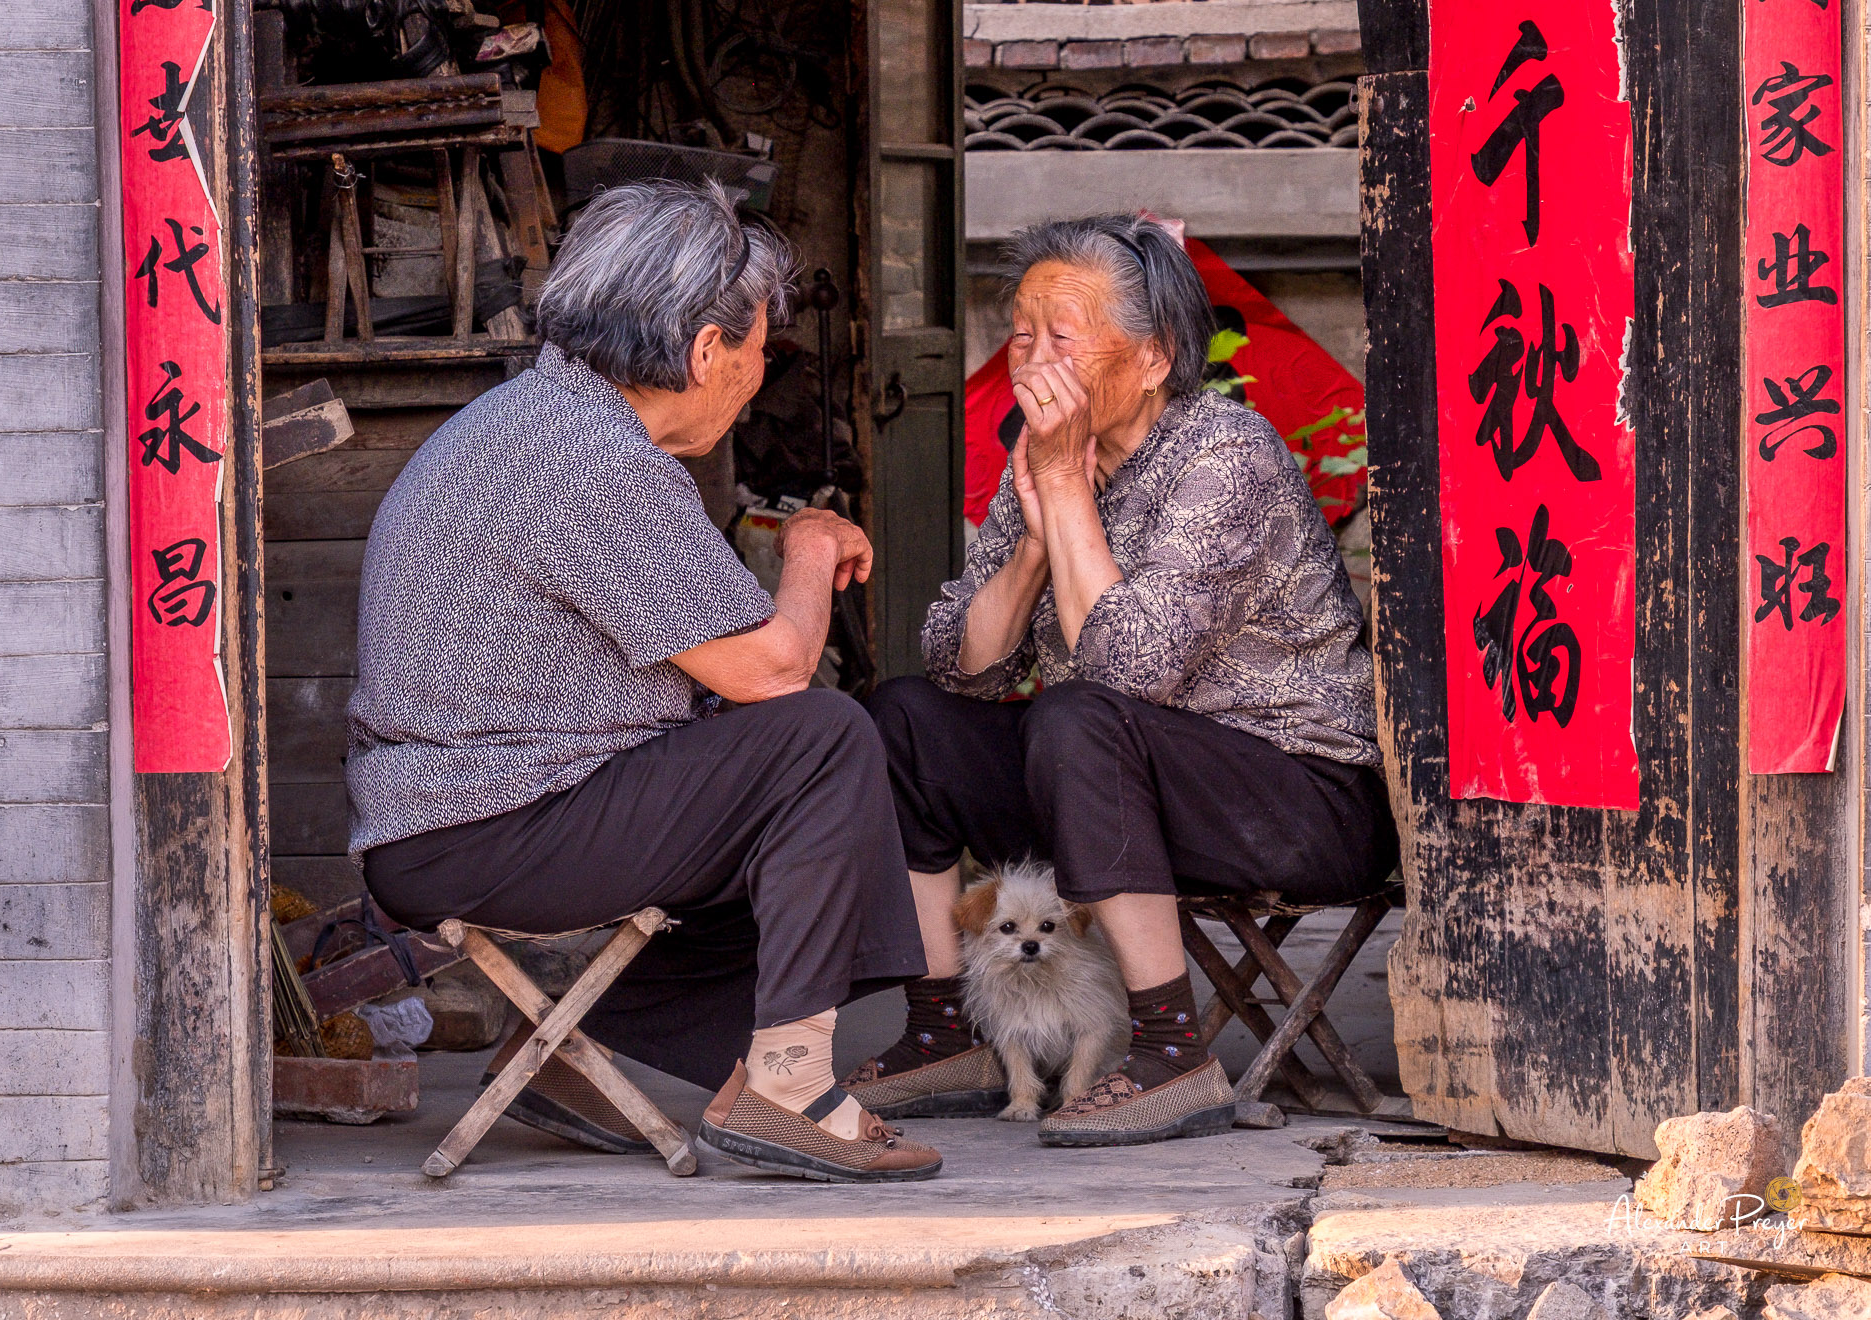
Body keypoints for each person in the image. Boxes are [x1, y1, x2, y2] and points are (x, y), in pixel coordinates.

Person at [347, 180, 941, 1183]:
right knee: (824, 741)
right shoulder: (592, 461)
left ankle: (569, 1052)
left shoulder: (530, 420)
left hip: (453, 824)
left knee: (791, 810)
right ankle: (790, 1085)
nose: (755, 374)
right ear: (708, 351)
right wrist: (808, 548)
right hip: (481, 826)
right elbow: (772, 670)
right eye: (758, 350)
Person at [843, 214, 1398, 1147]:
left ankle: (1172, 1053)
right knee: (904, 717)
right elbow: (961, 667)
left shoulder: (1225, 453)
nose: (1033, 359)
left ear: (1153, 357)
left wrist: (1066, 488)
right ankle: (946, 1033)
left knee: (1077, 719)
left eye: (1063, 336)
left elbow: (1128, 669)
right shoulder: (1047, 453)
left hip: (1297, 798)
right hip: (1112, 788)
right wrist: (1032, 545)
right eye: (1022, 334)